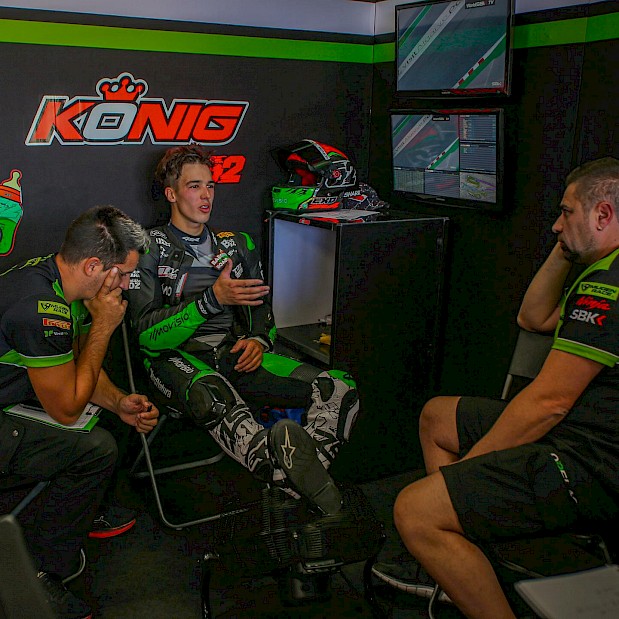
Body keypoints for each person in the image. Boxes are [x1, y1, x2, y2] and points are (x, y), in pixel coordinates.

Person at [372, 157, 619, 619]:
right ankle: (461, 562)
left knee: (414, 510)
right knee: (436, 417)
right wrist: (567, 244)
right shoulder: (602, 264)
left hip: (595, 462)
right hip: (576, 431)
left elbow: (549, 403)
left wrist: (465, 474)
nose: (555, 224)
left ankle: (461, 557)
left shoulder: (609, 286)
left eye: (566, 213)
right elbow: (533, 316)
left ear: (603, 214)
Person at [125, 144, 359, 515]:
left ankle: (298, 473)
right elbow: (146, 337)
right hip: (174, 361)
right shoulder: (147, 247)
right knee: (213, 397)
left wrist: (258, 340)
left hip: (233, 354)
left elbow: (261, 309)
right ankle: (292, 474)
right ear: (171, 194)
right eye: (194, 186)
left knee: (339, 387)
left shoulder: (236, 244)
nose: (206, 196)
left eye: (210, 186)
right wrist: (211, 300)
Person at [0, 205, 159, 619]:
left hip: (11, 394)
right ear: (93, 266)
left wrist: (118, 402)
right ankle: (40, 572)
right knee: (96, 448)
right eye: (122, 274)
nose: (125, 285)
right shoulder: (41, 308)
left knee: (109, 418)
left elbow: (76, 362)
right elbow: (69, 409)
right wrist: (103, 325)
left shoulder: (59, 281)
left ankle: (83, 513)